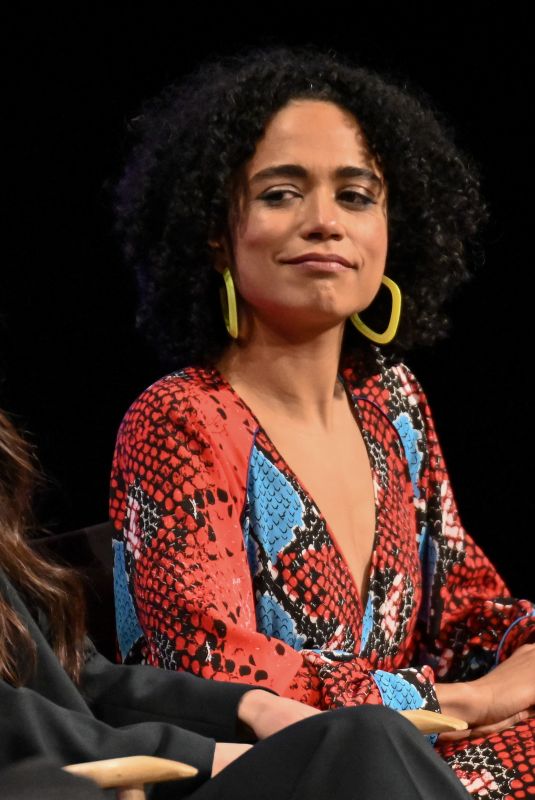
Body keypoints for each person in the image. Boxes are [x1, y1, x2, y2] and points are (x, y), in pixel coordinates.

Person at [109, 46, 535, 797]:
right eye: (280, 194)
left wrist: (522, 654)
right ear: (215, 232)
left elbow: (470, 610)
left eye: (356, 196)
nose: (323, 223)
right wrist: (447, 701)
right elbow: (210, 668)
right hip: (280, 775)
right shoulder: (179, 419)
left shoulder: (393, 404)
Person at [0, 409, 473, 799]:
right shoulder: (176, 420)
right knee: (362, 742)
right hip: (100, 779)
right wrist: (200, 753)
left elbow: (84, 679)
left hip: (134, 764)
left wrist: (250, 706)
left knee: (368, 732)